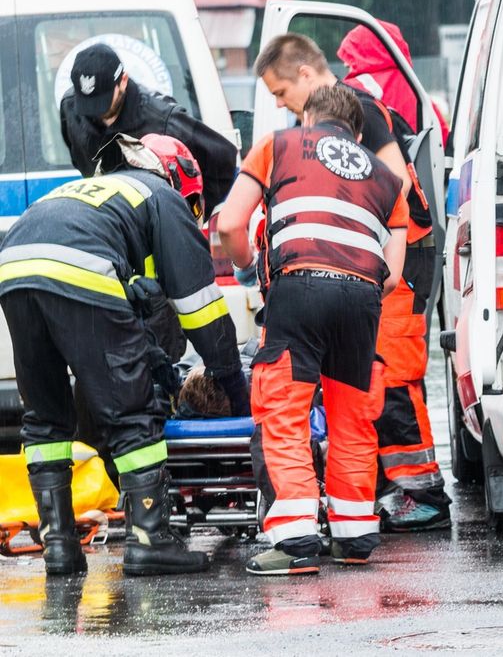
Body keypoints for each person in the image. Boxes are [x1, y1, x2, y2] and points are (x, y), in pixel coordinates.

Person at [0, 134, 247, 577]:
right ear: (176, 177)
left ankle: (59, 546)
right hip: (76, 263)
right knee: (132, 411)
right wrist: (232, 380)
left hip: (14, 265)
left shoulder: (98, 191)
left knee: (46, 415)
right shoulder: (162, 196)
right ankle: (152, 541)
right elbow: (201, 307)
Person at [257, 32, 451, 531]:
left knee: (392, 371)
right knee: (372, 374)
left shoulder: (360, 109)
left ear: (304, 74)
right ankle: (392, 490)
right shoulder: (344, 118)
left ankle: (422, 491)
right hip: (376, 254)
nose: (282, 106)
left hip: (396, 255)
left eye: (281, 93)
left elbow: (395, 183)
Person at [220, 83, 409, 576]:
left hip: (297, 288)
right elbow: (392, 272)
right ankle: (353, 536)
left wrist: (249, 266)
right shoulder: (390, 179)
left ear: (307, 119)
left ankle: (296, 544)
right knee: (352, 418)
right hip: (362, 297)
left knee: (283, 412)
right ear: (359, 132)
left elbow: (229, 224)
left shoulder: (276, 147)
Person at [59, 43, 239, 211]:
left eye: (102, 101)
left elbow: (224, 162)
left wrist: (190, 215)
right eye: (88, 103)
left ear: (123, 80)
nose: (94, 112)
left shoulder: (163, 120)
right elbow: (79, 159)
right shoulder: (71, 108)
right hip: (106, 224)